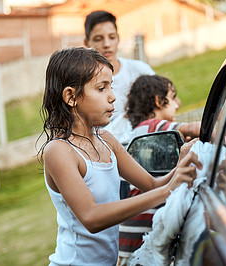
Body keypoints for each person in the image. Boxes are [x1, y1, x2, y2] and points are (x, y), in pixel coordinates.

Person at [38, 47, 202, 266]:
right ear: (71, 96)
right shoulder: (59, 151)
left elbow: (151, 184)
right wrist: (167, 190)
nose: (113, 97)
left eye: (111, 87)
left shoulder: (107, 140)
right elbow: (91, 217)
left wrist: (179, 167)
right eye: (101, 88)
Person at [117, 74, 200, 264]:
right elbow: (195, 128)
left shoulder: (147, 136)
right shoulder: (151, 126)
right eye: (173, 96)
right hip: (142, 239)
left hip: (129, 238)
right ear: (158, 101)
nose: (178, 103)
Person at [84, 10, 155, 146]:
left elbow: (168, 101)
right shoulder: (85, 83)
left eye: (111, 37)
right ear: (87, 43)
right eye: (98, 39)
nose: (106, 44)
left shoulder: (140, 70)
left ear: (118, 38)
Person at [126, 74, 200, 140]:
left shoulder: (140, 131)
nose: (177, 106)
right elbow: (192, 128)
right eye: (173, 97)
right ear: (159, 101)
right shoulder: (154, 126)